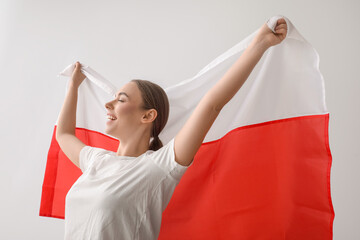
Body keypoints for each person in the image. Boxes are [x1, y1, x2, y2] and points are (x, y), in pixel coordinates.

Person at [56, 18, 287, 240]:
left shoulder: (157, 168)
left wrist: (261, 43)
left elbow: (211, 105)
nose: (109, 104)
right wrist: (73, 86)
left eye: (121, 99)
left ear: (148, 116)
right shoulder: (97, 160)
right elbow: (64, 134)